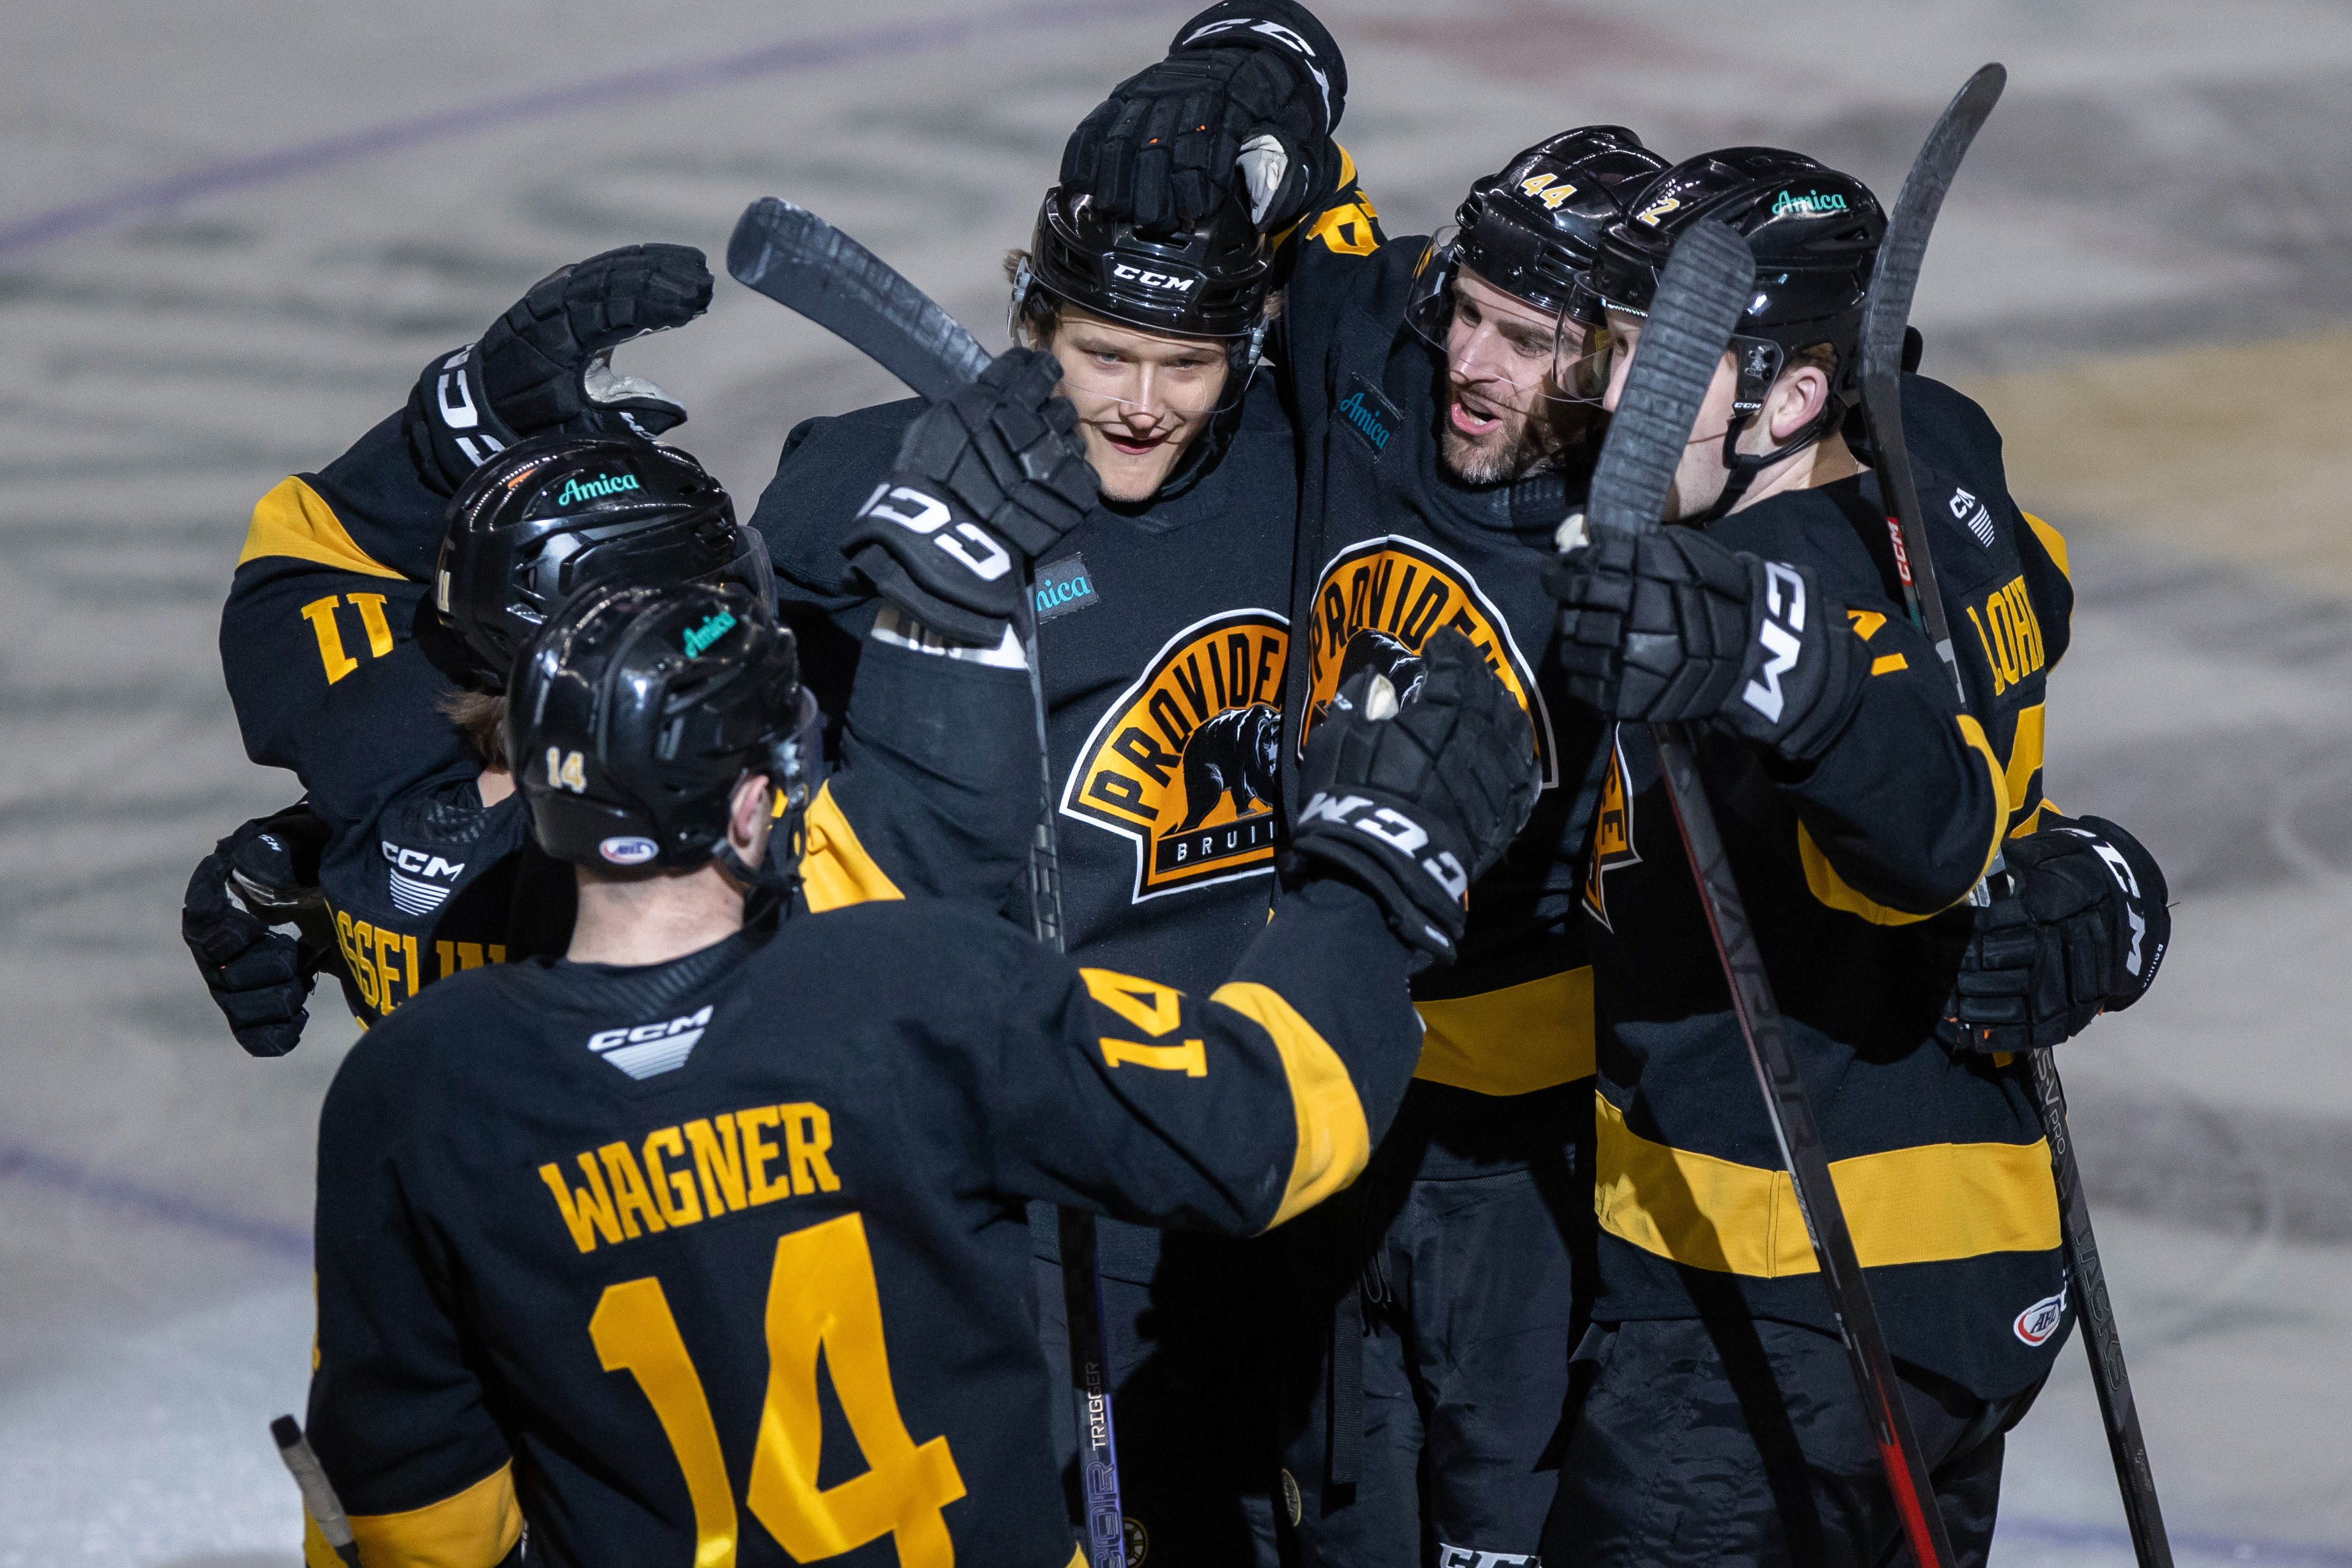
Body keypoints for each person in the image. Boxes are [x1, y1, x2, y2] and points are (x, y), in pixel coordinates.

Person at [297, 575, 1541, 1566]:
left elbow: (422, 1524)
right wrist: (1375, 874)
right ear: (747, 809)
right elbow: (1259, 1125)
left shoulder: (411, 1090)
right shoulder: (908, 986)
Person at [1063, 8, 1663, 1553]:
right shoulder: (1375, 332)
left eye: (1527, 343)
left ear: (1626, 363)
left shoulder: (1679, 527)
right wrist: (1233, 82)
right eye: (1468, 312)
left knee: (1490, 1522)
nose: (1470, 361)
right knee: (1328, 1519)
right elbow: (1276, 110)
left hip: (1519, 1146)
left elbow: (1918, 479)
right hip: (1314, 1070)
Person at [1535, 145, 2171, 1567]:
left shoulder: (1775, 585)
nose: (1611, 405)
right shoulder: (1937, 459)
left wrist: (1779, 666)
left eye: (1654, 361)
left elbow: (1924, 832)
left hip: (1778, 1297)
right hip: (1971, 1260)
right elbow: (2035, 596)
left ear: (1796, 397)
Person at [752, 156, 1364, 1561]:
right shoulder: (913, 477)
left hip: (1282, 1133)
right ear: (1033, 321)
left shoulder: (1297, 462)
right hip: (1064, 1167)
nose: (1143, 400)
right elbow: (769, 577)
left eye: (1186, 362)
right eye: (1102, 353)